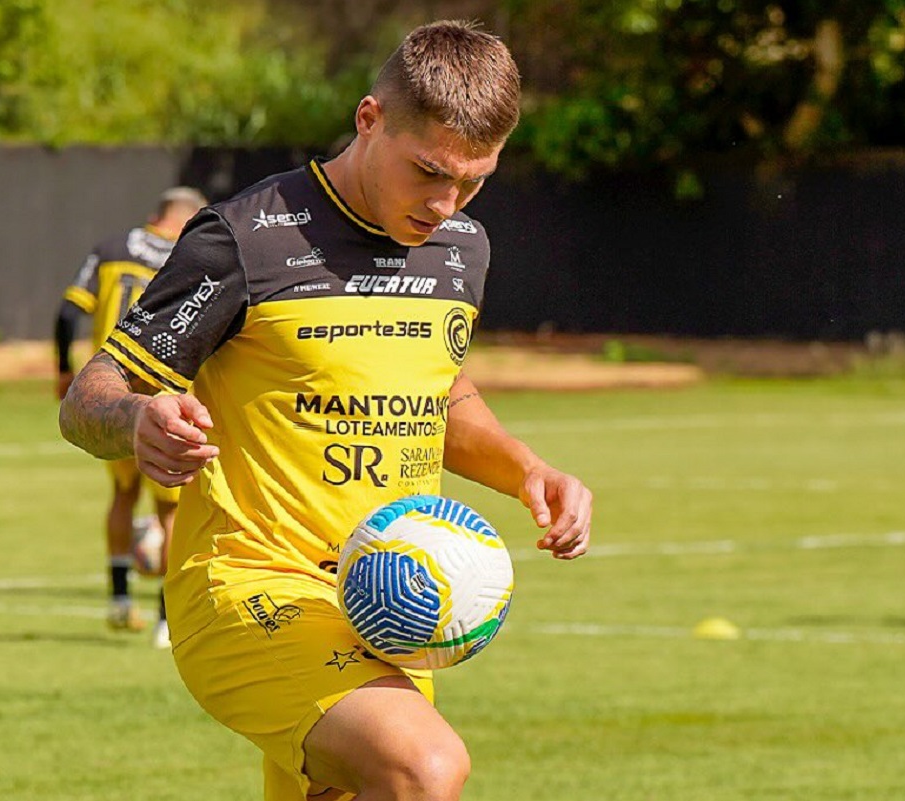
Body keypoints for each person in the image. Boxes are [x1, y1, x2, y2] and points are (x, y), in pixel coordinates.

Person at [59, 20, 592, 800]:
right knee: (424, 769)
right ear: (369, 119)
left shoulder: (461, 248)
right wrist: (136, 422)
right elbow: (89, 396)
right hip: (248, 587)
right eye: (429, 172)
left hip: (388, 602)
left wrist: (528, 470)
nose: (447, 203)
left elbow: (436, 391)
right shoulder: (244, 239)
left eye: (474, 181)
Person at [54, 185, 207, 644]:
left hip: (114, 391)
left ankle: (119, 601)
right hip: (170, 392)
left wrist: (64, 369)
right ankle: (166, 619)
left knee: (123, 496)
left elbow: (67, 313)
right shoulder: (194, 253)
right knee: (170, 508)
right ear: (186, 220)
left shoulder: (112, 249)